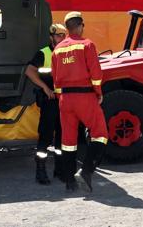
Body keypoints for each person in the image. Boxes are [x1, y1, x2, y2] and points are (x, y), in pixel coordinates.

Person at [51, 11, 108, 192]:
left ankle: (69, 181)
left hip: (65, 99)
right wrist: (98, 92)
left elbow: (55, 78)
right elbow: (96, 74)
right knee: (100, 133)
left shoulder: (58, 49)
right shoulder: (87, 45)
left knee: (68, 141)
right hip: (85, 96)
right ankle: (86, 170)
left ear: (67, 29)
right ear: (81, 25)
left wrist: (63, 98)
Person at [25, 23, 67, 185]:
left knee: (62, 138)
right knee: (46, 136)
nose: (61, 39)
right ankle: (40, 171)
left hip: (64, 101)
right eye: (58, 36)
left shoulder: (66, 53)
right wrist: (45, 88)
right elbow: (29, 71)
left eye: (63, 36)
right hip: (50, 101)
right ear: (51, 37)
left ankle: (59, 169)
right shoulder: (44, 53)